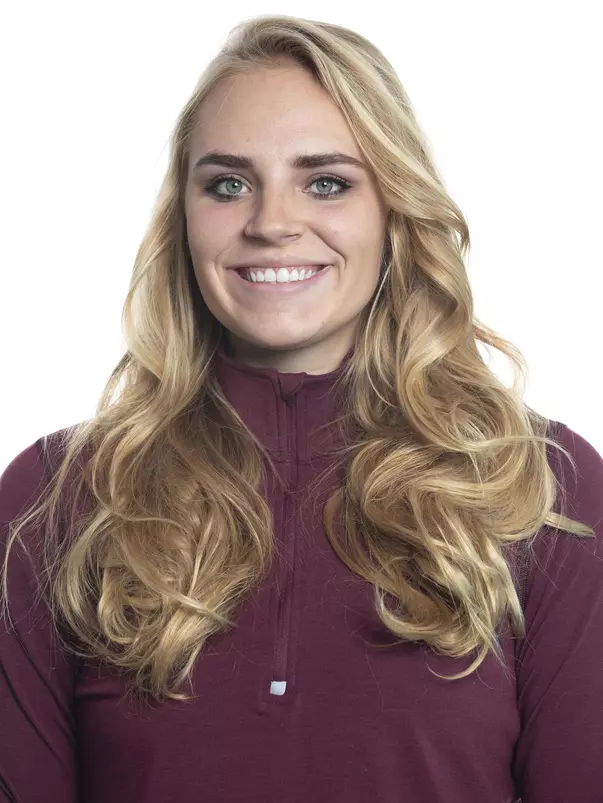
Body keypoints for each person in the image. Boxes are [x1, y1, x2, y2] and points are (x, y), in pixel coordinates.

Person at [1, 13, 602, 803]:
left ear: (394, 208)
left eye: (326, 181)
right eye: (227, 183)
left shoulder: (537, 486)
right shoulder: (54, 494)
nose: (271, 223)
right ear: (182, 217)